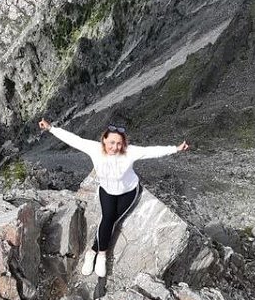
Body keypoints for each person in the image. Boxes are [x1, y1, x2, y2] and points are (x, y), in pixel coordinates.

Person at [38, 119, 189, 277]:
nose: (115, 147)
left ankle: (96, 253)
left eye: (119, 143)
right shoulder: (94, 149)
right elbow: (74, 139)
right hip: (107, 191)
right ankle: (98, 254)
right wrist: (51, 128)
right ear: (104, 140)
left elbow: (151, 151)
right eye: (111, 142)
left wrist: (176, 149)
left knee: (113, 221)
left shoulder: (130, 151)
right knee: (108, 219)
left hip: (129, 192)